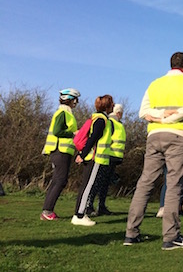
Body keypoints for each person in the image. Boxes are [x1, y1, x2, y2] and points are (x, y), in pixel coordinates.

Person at [124, 52, 183, 250]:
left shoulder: (155, 83)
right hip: (178, 136)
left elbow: (143, 112)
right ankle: (171, 237)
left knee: (145, 183)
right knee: (174, 185)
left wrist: (158, 117)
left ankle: (131, 234)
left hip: (154, 136)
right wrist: (168, 118)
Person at [72, 95, 114, 226]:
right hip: (95, 158)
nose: (113, 106)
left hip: (93, 157)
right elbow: (93, 138)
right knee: (88, 187)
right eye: (112, 104)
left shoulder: (97, 117)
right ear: (107, 106)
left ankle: (79, 214)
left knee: (87, 186)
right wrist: (82, 155)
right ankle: (79, 215)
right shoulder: (101, 120)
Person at [41, 88, 81, 221]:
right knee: (60, 181)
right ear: (71, 100)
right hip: (60, 151)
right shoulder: (63, 113)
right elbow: (58, 131)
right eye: (76, 100)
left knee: (57, 180)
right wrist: (73, 134)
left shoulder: (65, 112)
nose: (77, 103)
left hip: (61, 151)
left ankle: (47, 210)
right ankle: (47, 211)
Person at [86, 103, 126, 216]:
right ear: (118, 113)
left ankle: (101, 206)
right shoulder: (111, 123)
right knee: (99, 181)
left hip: (114, 157)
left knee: (105, 183)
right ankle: (89, 205)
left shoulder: (117, 124)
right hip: (107, 156)